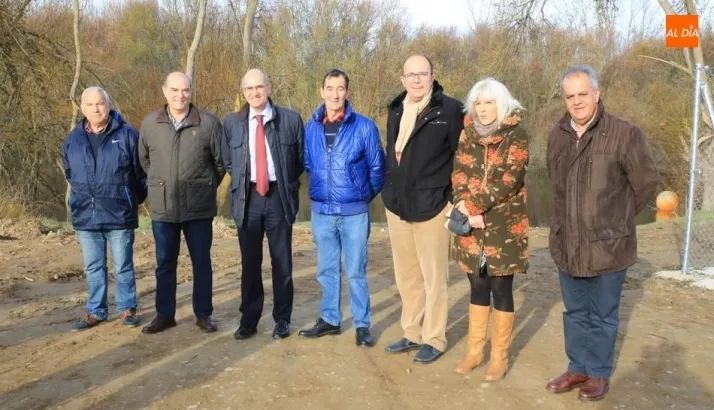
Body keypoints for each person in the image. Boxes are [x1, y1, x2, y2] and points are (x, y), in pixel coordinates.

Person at [545, 65, 659, 401]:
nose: (577, 101)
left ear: (597, 93)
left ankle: (597, 373)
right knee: (575, 312)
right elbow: (555, 184)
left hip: (609, 245)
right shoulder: (557, 136)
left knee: (602, 314)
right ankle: (577, 367)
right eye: (570, 96)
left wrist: (615, 219)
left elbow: (646, 183)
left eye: (583, 94)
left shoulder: (624, 133)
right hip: (568, 242)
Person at [381, 54, 465, 364]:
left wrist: (452, 198)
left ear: (432, 76)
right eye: (411, 74)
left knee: (434, 277)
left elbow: (462, 157)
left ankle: (434, 338)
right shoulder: (396, 109)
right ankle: (412, 332)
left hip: (433, 205)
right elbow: (393, 154)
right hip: (398, 205)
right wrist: (388, 189)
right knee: (407, 275)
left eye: (422, 73)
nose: (416, 79)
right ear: (402, 79)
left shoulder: (451, 110)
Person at [448, 77, 529, 380]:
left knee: (500, 288)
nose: (482, 109)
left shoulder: (517, 135)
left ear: (501, 103)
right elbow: (458, 173)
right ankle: (474, 352)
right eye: (478, 103)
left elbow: (510, 179)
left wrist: (473, 206)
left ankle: (499, 357)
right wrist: (463, 205)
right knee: (477, 285)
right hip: (472, 225)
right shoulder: (466, 133)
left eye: (489, 102)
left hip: (504, 224)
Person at [298, 68, 385, 347]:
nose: (335, 94)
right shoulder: (311, 128)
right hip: (322, 212)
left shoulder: (364, 127)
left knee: (356, 270)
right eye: (330, 88)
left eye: (340, 88)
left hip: (354, 212)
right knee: (326, 269)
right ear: (321, 91)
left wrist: (362, 196)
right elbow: (309, 164)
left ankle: (362, 324)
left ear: (347, 92)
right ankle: (330, 319)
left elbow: (377, 168)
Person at [138, 72, 225, 335]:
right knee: (165, 263)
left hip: (199, 208)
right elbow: (144, 160)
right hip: (163, 208)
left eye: (185, 90)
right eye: (174, 90)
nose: (180, 95)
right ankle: (165, 315)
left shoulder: (209, 123)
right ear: (165, 91)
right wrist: (160, 183)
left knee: (201, 262)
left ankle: (203, 314)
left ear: (191, 92)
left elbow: (220, 163)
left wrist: (204, 186)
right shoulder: (150, 124)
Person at [221, 68, 305, 340]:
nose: (255, 92)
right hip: (248, 198)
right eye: (249, 88)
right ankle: (249, 319)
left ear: (269, 88)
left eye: (259, 87)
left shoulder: (290, 119)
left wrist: (285, 184)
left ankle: (282, 319)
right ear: (243, 92)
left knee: (282, 261)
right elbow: (228, 162)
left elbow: (299, 160)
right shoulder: (231, 123)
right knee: (250, 263)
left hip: (279, 196)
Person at [63, 86, 146, 331]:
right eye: (89, 104)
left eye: (100, 103)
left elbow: (141, 173)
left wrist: (132, 199)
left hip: (119, 214)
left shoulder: (129, 135)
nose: (95, 109)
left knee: (123, 266)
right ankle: (96, 311)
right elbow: (70, 173)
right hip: (85, 215)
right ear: (82, 108)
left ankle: (127, 308)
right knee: (93, 267)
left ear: (108, 105)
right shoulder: (72, 140)